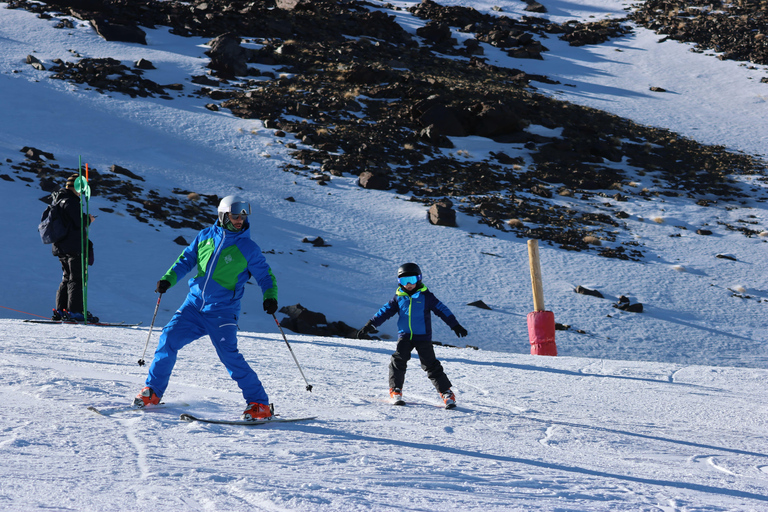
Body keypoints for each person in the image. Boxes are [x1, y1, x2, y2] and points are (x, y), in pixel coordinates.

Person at [133, 195, 279, 421]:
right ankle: (153, 392)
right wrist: (168, 280)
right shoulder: (205, 237)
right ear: (222, 215)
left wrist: (270, 297)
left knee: (229, 356)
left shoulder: (247, 247)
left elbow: (265, 276)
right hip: (193, 306)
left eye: (243, 215)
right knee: (168, 338)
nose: (240, 219)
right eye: (234, 215)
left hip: (222, 310)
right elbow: (185, 260)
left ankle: (259, 403)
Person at [357, 263, 468, 409]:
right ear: (399, 282)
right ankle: (396, 390)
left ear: (419, 279)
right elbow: (384, 312)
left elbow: (442, 310)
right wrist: (370, 324)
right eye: (404, 281)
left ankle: (446, 393)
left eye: (412, 280)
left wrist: (454, 324)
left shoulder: (426, 296)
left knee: (431, 365)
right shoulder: (398, 297)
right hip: (404, 336)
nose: (408, 284)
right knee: (398, 361)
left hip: (423, 337)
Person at [51, 173, 97, 322]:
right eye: (80, 189)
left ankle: (61, 309)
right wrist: (88, 220)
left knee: (66, 277)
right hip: (73, 246)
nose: (81, 192)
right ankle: (75, 311)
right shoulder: (71, 201)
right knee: (76, 278)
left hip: (61, 246)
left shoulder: (58, 200)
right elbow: (78, 222)